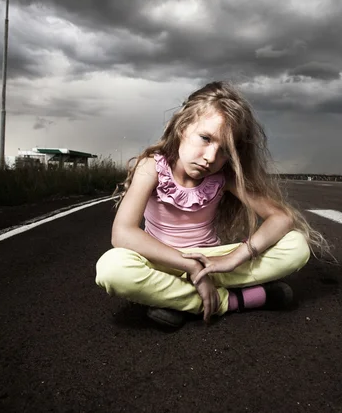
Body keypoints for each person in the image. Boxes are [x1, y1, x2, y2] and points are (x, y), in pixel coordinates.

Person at [95, 81, 329, 328]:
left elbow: (281, 218)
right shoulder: (152, 167)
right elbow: (122, 233)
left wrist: (233, 259)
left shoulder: (223, 177)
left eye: (224, 151)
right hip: (163, 262)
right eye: (205, 138)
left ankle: (175, 299)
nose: (211, 158)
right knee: (112, 268)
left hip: (212, 264)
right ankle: (233, 301)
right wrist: (189, 266)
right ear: (182, 126)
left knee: (297, 246)